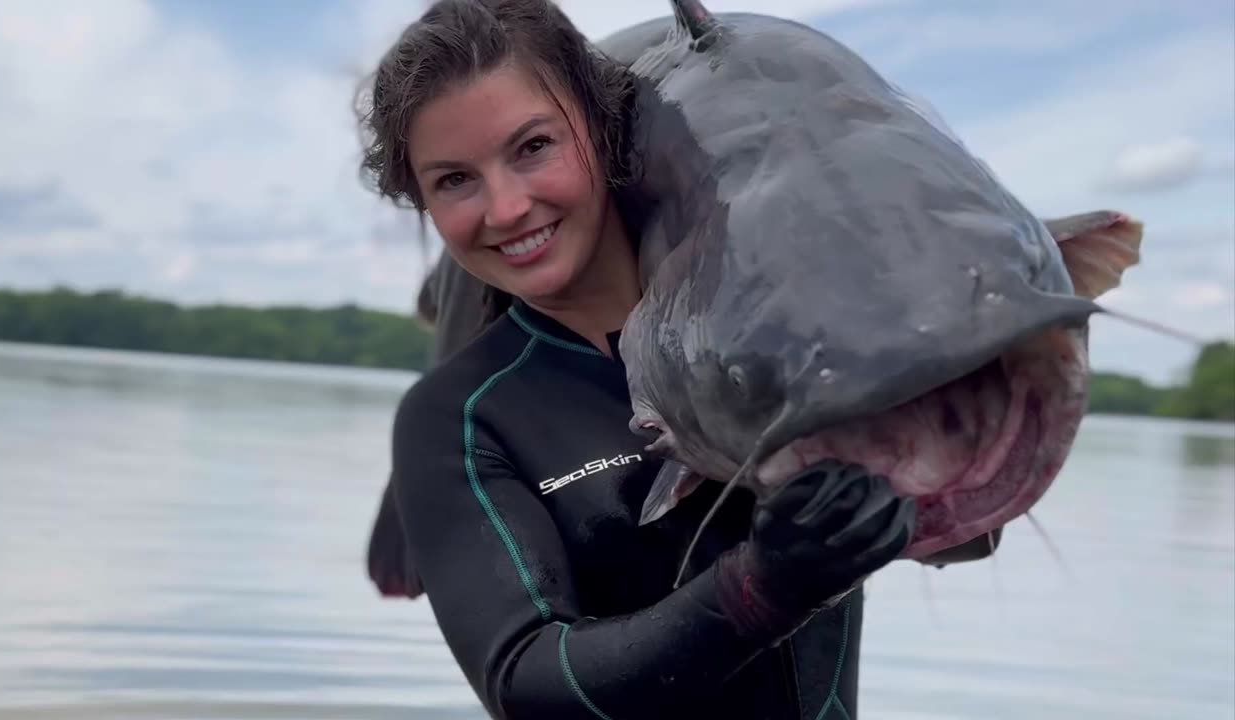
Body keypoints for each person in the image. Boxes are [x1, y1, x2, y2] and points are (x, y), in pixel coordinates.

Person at [358, 2, 998, 718]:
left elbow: (964, 533)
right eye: (453, 180)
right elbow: (526, 682)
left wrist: (954, 458)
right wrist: (761, 587)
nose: (506, 208)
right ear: (420, 201)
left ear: (600, 129)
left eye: (533, 146)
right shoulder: (458, 417)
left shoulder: (781, 336)